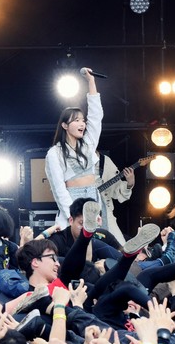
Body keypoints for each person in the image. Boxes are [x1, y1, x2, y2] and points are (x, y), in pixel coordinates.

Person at [43, 69, 126, 242]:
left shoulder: (88, 144)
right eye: (76, 120)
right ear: (65, 125)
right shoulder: (55, 153)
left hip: (93, 197)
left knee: (98, 243)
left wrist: (91, 82)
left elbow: (96, 116)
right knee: (76, 244)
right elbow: (58, 189)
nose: (82, 123)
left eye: (82, 120)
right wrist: (72, 216)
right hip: (72, 199)